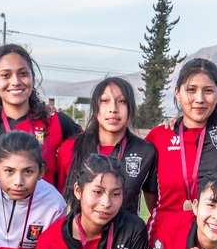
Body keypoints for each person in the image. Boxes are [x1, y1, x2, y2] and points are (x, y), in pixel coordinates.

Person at [143, 58, 217, 249]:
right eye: (191, 90)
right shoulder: (159, 136)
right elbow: (151, 196)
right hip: (163, 239)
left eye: (208, 91)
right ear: (177, 92)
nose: (199, 99)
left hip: (213, 239)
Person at [0, 43, 79, 186]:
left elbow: (94, 143)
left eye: (23, 74)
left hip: (44, 207)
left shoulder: (54, 120)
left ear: (32, 78)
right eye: (6, 75)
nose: (15, 82)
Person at [58, 76, 157, 217]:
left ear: (131, 108)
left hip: (127, 238)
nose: (113, 109)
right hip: (80, 237)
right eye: (105, 101)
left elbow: (155, 209)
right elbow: (56, 203)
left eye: (121, 101)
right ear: (95, 107)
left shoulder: (145, 151)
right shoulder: (70, 148)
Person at [36, 153, 153, 249]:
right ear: (78, 191)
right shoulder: (51, 241)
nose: (106, 203)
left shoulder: (133, 231)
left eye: (116, 194)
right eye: (97, 192)